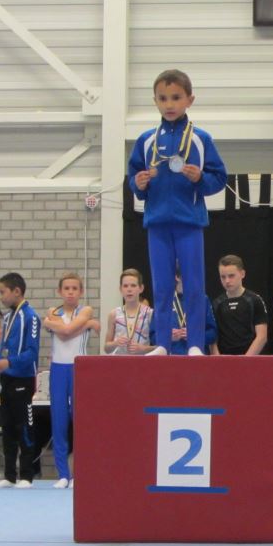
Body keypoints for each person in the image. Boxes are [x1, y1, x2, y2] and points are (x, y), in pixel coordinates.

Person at [128, 69, 228, 356]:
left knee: (194, 286)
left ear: (189, 100)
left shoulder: (200, 139)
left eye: (176, 97)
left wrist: (200, 179)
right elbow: (133, 177)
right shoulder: (146, 140)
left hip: (189, 223)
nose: (169, 104)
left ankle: (195, 344)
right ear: (155, 101)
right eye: (163, 98)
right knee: (161, 287)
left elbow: (219, 178)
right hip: (157, 223)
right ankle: (162, 344)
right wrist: (138, 184)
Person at [42, 273, 100, 489]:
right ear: (60, 291)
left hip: (79, 369)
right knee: (59, 420)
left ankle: (78, 474)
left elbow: (64, 331)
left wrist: (54, 324)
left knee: (80, 421)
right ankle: (63, 475)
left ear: (81, 292)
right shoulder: (53, 311)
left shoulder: (86, 310)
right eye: (66, 288)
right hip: (58, 369)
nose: (70, 292)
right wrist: (87, 326)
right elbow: (66, 333)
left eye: (75, 288)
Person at [0, 273, 41, 488]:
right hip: (7, 380)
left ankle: (27, 476)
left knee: (24, 427)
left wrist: (9, 362)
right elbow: (4, 347)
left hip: (23, 379)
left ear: (17, 291)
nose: (1, 297)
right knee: (8, 428)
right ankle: (9, 475)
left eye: (3, 292)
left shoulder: (31, 317)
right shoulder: (8, 317)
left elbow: (32, 353)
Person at [212, 255, 268, 355]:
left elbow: (262, 337)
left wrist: (245, 360)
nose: (227, 281)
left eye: (231, 276)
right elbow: (212, 336)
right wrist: (217, 358)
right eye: (223, 277)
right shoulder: (217, 303)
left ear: (242, 274)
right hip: (224, 358)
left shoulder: (254, 300)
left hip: (250, 358)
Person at [148, 273, 217, 355]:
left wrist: (196, 336)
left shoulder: (202, 299)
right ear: (177, 277)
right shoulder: (164, 300)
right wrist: (167, 337)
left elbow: (213, 333)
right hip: (171, 357)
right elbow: (153, 336)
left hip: (197, 357)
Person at [104, 268, 154, 355]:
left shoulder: (150, 313)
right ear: (120, 289)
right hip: (119, 361)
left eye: (133, 285)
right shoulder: (114, 314)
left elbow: (160, 347)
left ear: (141, 288)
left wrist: (143, 349)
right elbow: (106, 348)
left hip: (142, 361)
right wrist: (116, 343)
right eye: (125, 286)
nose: (129, 289)